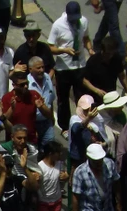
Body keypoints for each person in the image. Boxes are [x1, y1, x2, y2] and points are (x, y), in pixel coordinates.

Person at [48, 1, 93, 130]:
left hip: (80, 66)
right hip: (64, 68)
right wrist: (64, 50)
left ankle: (83, 122)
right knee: (63, 99)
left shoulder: (83, 21)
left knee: (82, 97)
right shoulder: (58, 25)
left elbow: (86, 38)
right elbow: (50, 47)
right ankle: (64, 126)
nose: (75, 21)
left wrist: (90, 49)